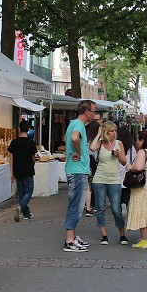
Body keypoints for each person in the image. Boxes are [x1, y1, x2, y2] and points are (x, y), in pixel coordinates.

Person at [63, 100, 96, 252]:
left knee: (75, 205)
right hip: (77, 171)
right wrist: (78, 152)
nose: (94, 114)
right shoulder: (79, 125)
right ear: (87, 112)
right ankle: (69, 240)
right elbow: (74, 138)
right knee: (76, 206)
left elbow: (68, 138)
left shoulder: (73, 124)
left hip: (77, 170)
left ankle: (72, 236)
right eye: (93, 111)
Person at [89, 120, 128, 245]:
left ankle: (122, 234)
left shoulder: (119, 143)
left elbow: (123, 162)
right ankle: (104, 235)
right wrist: (98, 134)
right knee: (100, 208)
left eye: (115, 130)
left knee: (116, 209)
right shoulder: (100, 143)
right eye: (111, 131)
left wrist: (118, 155)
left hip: (114, 179)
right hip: (99, 178)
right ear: (106, 132)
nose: (114, 133)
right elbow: (91, 147)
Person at [8, 119, 37, 221]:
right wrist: (32, 164)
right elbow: (33, 157)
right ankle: (21, 207)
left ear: (19, 128)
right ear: (28, 129)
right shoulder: (31, 143)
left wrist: (12, 172)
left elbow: (11, 157)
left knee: (21, 192)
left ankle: (26, 213)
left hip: (17, 170)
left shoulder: (14, 142)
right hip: (28, 169)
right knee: (29, 191)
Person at [83, 112, 103, 217]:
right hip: (91, 161)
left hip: (83, 161)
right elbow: (95, 149)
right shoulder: (96, 139)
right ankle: (89, 207)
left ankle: (85, 206)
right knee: (90, 186)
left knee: (85, 185)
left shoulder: (84, 136)